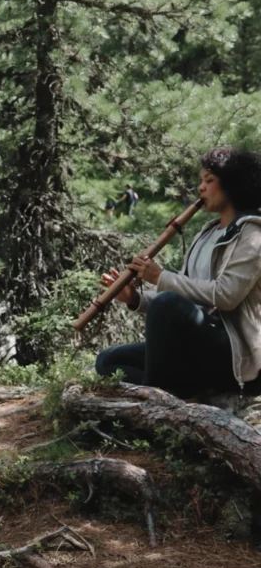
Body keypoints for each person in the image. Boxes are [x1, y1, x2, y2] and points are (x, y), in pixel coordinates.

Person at [95, 148, 261, 399]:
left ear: (233, 185)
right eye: (201, 180)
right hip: (197, 347)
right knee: (108, 361)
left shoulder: (253, 235)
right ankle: (177, 392)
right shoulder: (206, 233)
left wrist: (160, 277)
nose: (200, 188)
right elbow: (184, 294)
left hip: (234, 356)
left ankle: (154, 401)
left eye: (209, 181)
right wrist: (135, 299)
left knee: (167, 302)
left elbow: (226, 296)